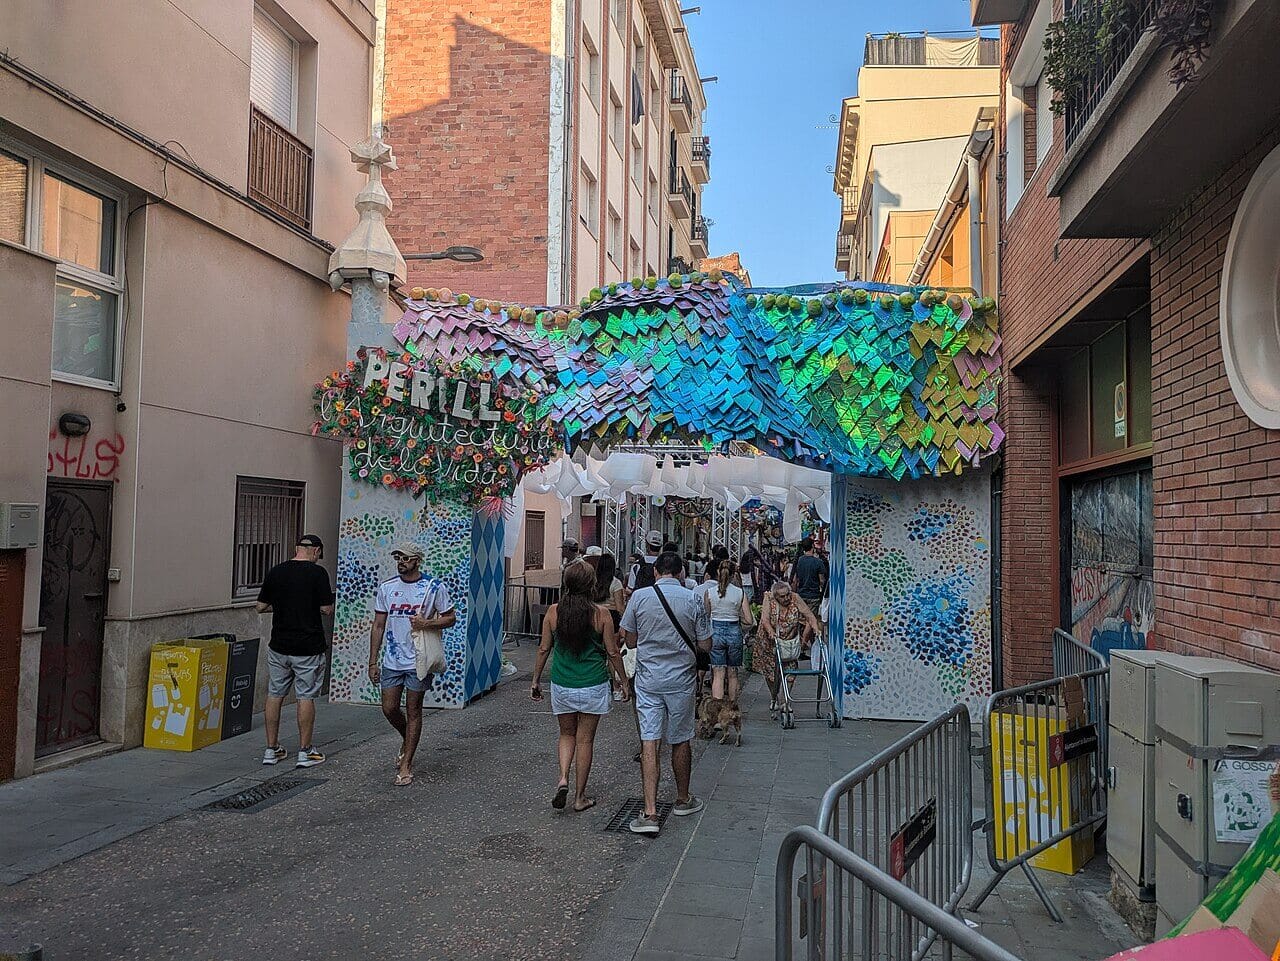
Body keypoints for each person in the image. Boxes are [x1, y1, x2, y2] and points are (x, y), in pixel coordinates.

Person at [620, 551, 710, 835]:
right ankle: (683, 799)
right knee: (681, 738)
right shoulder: (693, 598)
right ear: (681, 573)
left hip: (648, 680)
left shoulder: (640, 597)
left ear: (656, 572)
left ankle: (649, 812)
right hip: (681, 680)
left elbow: (630, 640)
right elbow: (706, 644)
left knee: (649, 740)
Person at [530, 562, 628, 812]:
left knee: (566, 734)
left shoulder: (554, 612)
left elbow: (543, 649)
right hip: (593, 684)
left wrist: (535, 680)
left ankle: (563, 777)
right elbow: (613, 651)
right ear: (592, 585)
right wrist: (624, 681)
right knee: (585, 741)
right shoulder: (601, 614)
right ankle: (580, 797)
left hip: (563, 684)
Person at [368, 542, 456, 786]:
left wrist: (426, 624)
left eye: (406, 558)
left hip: (419, 659)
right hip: (392, 660)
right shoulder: (387, 588)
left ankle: (406, 764)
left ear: (417, 560)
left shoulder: (433, 587)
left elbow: (451, 618)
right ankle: (407, 739)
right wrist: (372, 661)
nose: (401, 562)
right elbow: (378, 625)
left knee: (414, 709)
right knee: (389, 708)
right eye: (398, 557)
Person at [256, 534, 335, 768]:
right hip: (308, 647)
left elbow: (260, 606)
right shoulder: (318, 573)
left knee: (275, 694)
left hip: (279, 645)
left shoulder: (276, 571)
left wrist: (283, 607)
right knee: (305, 696)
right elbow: (326, 609)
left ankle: (271, 750)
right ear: (317, 551)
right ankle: (305, 751)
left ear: (296, 548)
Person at [754, 581, 819, 714]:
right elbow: (765, 619)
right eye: (782, 596)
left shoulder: (795, 598)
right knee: (771, 674)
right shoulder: (769, 598)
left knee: (791, 672)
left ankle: (785, 701)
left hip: (789, 640)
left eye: (787, 595)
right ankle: (774, 697)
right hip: (769, 642)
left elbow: (809, 615)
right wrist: (771, 632)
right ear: (776, 596)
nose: (786, 598)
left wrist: (816, 629)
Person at [703, 559, 752, 703]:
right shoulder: (740, 593)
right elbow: (749, 620)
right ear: (733, 575)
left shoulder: (710, 592)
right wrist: (739, 625)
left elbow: (706, 616)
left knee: (718, 673)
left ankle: (717, 711)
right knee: (733, 673)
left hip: (715, 631)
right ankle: (731, 708)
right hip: (734, 630)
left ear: (718, 572)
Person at [791, 537, 828, 615]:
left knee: (801, 619)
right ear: (812, 546)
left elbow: (795, 580)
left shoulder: (799, 560)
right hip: (814, 595)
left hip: (801, 595)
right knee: (811, 619)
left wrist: (794, 594)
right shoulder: (818, 562)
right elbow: (822, 580)